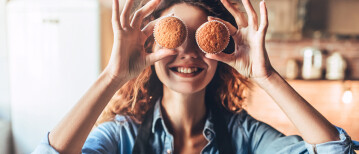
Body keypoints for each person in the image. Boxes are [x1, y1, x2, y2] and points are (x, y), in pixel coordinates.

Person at [33, 0, 359, 153]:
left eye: (200, 38)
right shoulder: (121, 138)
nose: (188, 52)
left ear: (221, 52)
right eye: (174, 38)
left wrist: (266, 75)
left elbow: (334, 153)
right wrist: (113, 75)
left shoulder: (245, 137)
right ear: (150, 48)